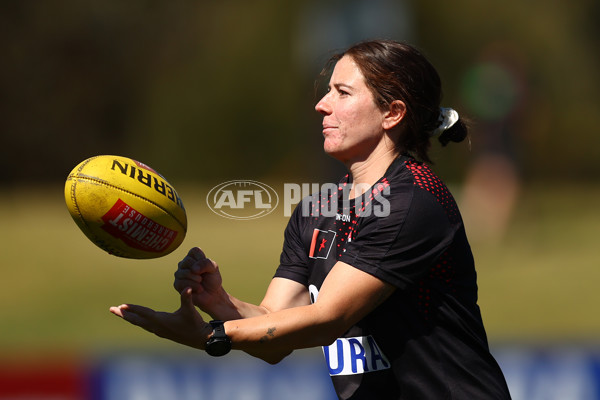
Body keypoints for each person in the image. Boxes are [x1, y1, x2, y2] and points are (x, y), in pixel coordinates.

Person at [110, 39, 512, 399]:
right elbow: (275, 333)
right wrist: (219, 303)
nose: (322, 104)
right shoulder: (317, 210)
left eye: (342, 92)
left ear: (392, 113)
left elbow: (326, 320)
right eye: (327, 92)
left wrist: (209, 336)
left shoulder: (413, 202)